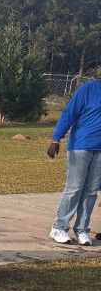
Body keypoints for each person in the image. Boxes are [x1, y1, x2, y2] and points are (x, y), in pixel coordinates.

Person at [47, 76, 101, 246]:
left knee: (91, 190)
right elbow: (69, 113)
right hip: (81, 145)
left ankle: (82, 229)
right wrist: (56, 139)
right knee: (74, 187)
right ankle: (59, 227)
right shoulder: (88, 89)